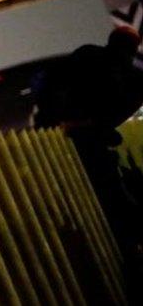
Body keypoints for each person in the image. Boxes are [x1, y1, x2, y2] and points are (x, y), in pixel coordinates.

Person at [34, 26, 143, 270]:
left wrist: (58, 119)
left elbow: (51, 83)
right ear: (133, 48)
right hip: (96, 143)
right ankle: (126, 252)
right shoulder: (133, 78)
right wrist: (97, 124)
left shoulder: (87, 54)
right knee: (111, 197)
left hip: (67, 138)